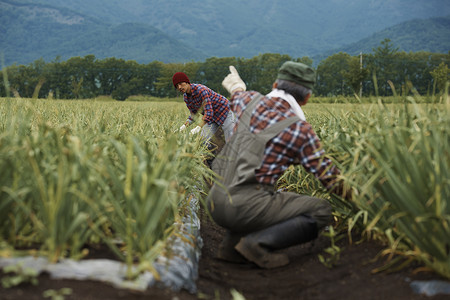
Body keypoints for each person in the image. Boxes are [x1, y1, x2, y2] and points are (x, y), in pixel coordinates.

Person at [206, 62, 350, 269]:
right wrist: (363, 199)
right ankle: (257, 245)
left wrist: (237, 86)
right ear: (307, 97)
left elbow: (238, 93)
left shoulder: (248, 101)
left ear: (274, 84)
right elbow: (330, 179)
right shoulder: (300, 130)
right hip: (244, 208)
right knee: (321, 210)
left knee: (250, 194)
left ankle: (230, 248)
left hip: (214, 201)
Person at [172, 72, 235, 143]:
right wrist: (183, 127)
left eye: (180, 83)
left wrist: (198, 127)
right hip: (211, 118)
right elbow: (194, 114)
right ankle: (211, 152)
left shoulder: (201, 90)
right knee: (203, 140)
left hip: (224, 111)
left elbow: (209, 112)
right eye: (177, 86)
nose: (179, 87)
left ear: (187, 82)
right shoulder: (186, 98)